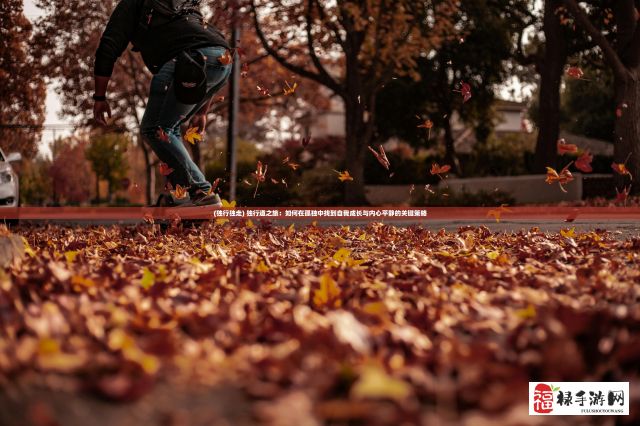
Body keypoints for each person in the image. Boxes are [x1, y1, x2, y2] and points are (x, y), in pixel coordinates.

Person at [93, 0, 231, 206]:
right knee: (169, 129)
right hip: (221, 58)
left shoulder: (132, 4)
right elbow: (204, 48)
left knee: (155, 128)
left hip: (186, 60)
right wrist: (202, 111)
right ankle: (183, 200)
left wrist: (100, 97)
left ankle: (200, 191)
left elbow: (108, 46)